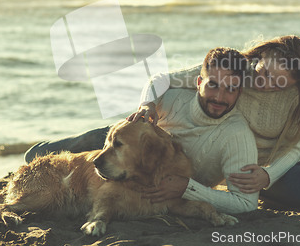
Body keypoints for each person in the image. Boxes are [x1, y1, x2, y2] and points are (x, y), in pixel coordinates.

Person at [134, 35, 300, 209]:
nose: (265, 84)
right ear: (261, 56)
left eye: (279, 83)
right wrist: (147, 104)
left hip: (299, 149)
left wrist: (268, 176)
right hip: (255, 163)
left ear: (295, 84)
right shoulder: (237, 70)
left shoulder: (297, 96)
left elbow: (296, 147)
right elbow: (161, 79)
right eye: (264, 73)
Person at [26, 47, 259, 214]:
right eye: (213, 85)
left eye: (230, 89)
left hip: (140, 157)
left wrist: (190, 189)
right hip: (125, 143)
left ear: (240, 92)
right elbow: (156, 79)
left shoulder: (237, 135)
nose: (219, 97)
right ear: (198, 83)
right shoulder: (174, 98)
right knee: (84, 142)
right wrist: (147, 104)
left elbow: (246, 203)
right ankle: (36, 152)